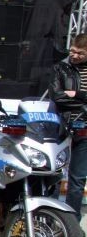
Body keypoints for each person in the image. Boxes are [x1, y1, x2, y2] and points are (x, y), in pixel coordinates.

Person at [49, 33, 87, 224]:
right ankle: (49, 217)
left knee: (77, 181)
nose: (74, 55)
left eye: (79, 53)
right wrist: (83, 103)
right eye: (72, 51)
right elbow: (58, 97)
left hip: (84, 130)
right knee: (54, 174)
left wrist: (77, 94)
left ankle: (72, 223)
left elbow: (69, 96)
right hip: (62, 126)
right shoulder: (60, 68)